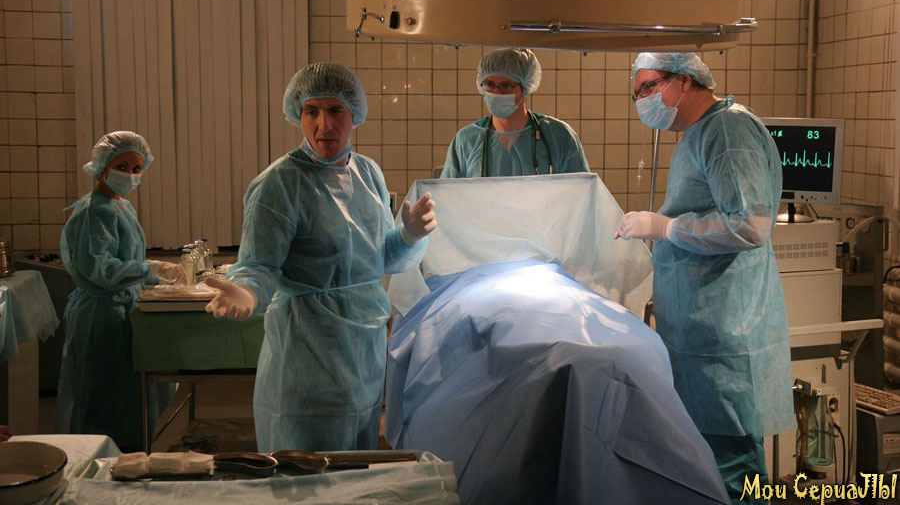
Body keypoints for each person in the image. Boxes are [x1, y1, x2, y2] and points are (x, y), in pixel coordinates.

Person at [204, 63, 436, 453]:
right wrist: (247, 291)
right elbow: (259, 265)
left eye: (335, 111)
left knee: (354, 469)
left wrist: (408, 236)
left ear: (354, 114)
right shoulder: (280, 184)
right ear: (298, 114)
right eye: (311, 111)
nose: (323, 125)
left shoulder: (368, 174)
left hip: (364, 358)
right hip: (308, 356)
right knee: (304, 471)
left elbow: (375, 260)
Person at [615, 52, 793, 504]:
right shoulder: (698, 133)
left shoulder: (727, 130)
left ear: (685, 80)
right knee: (708, 466)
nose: (642, 99)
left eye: (649, 87)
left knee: (732, 467)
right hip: (699, 330)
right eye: (637, 93)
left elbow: (750, 225)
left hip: (724, 335)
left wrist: (665, 228)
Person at [56, 131, 182, 449]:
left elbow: (126, 261)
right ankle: (99, 464)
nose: (130, 175)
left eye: (137, 168)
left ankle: (128, 462)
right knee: (101, 401)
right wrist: (151, 268)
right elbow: (101, 270)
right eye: (122, 167)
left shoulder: (121, 206)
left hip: (122, 311)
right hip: (100, 317)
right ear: (102, 166)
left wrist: (159, 283)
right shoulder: (93, 211)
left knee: (129, 400)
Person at [441, 48, 590, 178]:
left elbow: (580, 191)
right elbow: (449, 193)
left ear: (525, 87)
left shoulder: (558, 136)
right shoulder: (467, 140)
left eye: (506, 85)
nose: (496, 92)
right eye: (490, 84)